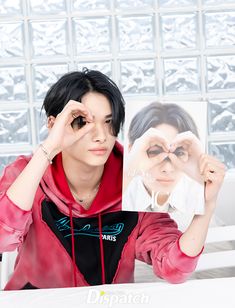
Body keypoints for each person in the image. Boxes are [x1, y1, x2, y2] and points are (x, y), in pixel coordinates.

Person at [0, 69, 225, 290]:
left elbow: (174, 268)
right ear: (54, 124)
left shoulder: (135, 183)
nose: (101, 136)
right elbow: (2, 237)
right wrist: (49, 147)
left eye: (109, 122)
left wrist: (207, 205)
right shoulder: (26, 174)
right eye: (83, 122)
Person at [123, 102, 206, 216]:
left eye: (179, 153)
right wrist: (127, 173)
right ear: (132, 151)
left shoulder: (200, 195)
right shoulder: (123, 196)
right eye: (155, 152)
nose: (167, 168)